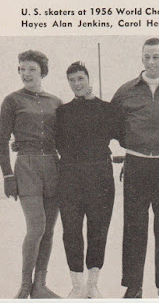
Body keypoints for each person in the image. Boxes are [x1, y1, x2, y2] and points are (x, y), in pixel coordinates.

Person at [111, 38, 159, 299]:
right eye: (147, 57)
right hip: (136, 164)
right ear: (141, 58)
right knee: (134, 227)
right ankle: (133, 286)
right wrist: (133, 143)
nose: (151, 62)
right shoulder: (126, 90)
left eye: (156, 57)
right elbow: (114, 123)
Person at [0, 50, 62, 299]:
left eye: (31, 69)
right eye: (22, 68)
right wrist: (7, 176)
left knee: (50, 229)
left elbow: (64, 138)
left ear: (42, 71)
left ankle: (40, 285)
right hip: (26, 167)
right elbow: (1, 141)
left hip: (53, 167)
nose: (26, 73)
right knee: (36, 227)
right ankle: (25, 284)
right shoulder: (12, 100)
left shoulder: (55, 101)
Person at [55, 62, 123, 298]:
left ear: (89, 78)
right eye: (72, 80)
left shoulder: (107, 109)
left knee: (98, 230)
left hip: (100, 176)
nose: (77, 84)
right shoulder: (62, 112)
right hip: (70, 177)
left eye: (80, 78)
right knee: (71, 231)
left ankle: (92, 284)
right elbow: (56, 144)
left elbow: (126, 136)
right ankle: (77, 285)